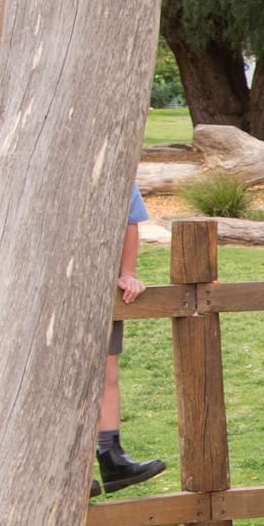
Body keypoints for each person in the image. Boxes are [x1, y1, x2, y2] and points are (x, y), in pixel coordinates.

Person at [93, 183, 169, 497]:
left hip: (101, 280)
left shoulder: (118, 167)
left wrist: (127, 272)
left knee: (107, 371)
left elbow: (130, 220)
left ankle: (111, 455)